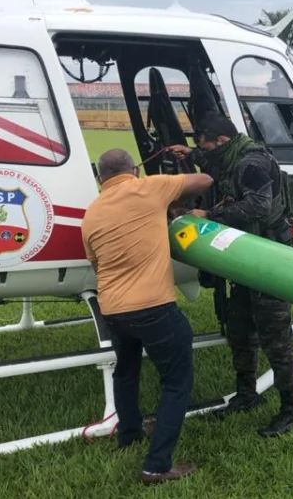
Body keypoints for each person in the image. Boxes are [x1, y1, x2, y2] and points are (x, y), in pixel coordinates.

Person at [81, 149, 214, 485]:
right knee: (177, 382)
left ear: (100, 178)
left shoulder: (92, 213)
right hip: (154, 308)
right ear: (135, 170)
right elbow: (205, 180)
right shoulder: (149, 187)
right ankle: (156, 465)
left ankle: (130, 434)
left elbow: (98, 265)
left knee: (126, 373)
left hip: (112, 309)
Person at [169, 113, 293, 438]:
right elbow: (210, 157)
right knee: (240, 329)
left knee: (277, 340)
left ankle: (292, 411)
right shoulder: (229, 154)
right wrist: (189, 153)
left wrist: (210, 214)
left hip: (269, 259)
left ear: (222, 142)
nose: (203, 153)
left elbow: (258, 206)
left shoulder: (251, 164)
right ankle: (246, 396)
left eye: (204, 146)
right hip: (243, 256)